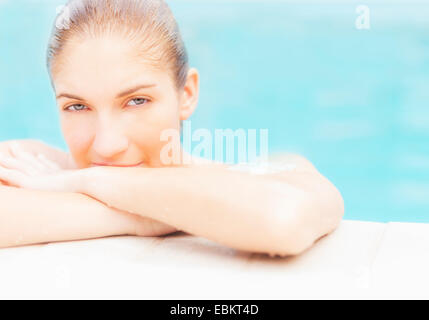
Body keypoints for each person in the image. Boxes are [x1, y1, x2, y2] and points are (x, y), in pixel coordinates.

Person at [0, 0, 343, 257]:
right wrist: (143, 217)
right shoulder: (35, 164)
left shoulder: (273, 173)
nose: (107, 145)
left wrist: (90, 182)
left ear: (186, 94)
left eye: (136, 101)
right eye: (77, 106)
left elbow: (280, 223)